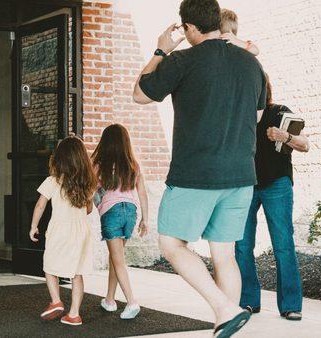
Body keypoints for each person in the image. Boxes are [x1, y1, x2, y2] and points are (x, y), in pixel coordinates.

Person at [132, 0, 266, 336]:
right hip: (241, 175)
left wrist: (161, 51)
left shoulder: (182, 59)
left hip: (197, 174)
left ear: (190, 27)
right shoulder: (251, 64)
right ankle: (228, 320)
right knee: (225, 254)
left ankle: (223, 309)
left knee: (172, 245)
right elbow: (259, 116)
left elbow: (140, 94)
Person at [235, 76, 308, 320]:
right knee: (242, 245)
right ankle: (248, 301)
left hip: (277, 184)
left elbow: (304, 145)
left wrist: (283, 136)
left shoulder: (279, 112)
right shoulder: (238, 115)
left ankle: (290, 305)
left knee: (283, 244)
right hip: (245, 185)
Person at [29, 135, 98, 326]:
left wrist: (34, 226)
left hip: (60, 229)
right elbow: (89, 209)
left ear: (60, 158)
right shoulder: (88, 183)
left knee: (50, 266)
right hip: (81, 231)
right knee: (77, 273)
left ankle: (56, 301)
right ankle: (74, 314)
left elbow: (40, 206)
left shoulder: (53, 181)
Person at [92, 124, 149, 320]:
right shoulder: (133, 164)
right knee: (115, 258)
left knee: (119, 261)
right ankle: (109, 299)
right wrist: (145, 219)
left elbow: (91, 191)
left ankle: (132, 302)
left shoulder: (99, 164)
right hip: (130, 212)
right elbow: (142, 192)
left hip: (111, 212)